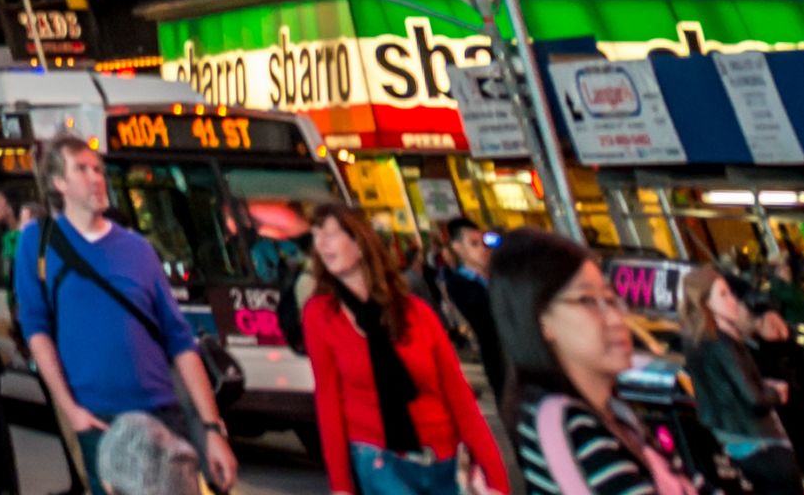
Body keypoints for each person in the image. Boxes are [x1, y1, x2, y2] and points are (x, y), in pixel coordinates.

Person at [4, 149, 221, 495]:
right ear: (59, 183)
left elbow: (180, 339)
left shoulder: (138, 249)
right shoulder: (37, 242)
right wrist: (70, 410)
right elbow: (36, 329)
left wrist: (212, 429)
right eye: (82, 169)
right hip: (99, 418)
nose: (95, 177)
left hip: (162, 411)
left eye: (98, 169)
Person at [294, 209, 497, 495]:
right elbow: (328, 400)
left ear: (359, 242)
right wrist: (340, 485)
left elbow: (459, 396)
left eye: (329, 234)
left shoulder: (416, 313)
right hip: (378, 459)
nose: (320, 244)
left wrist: (495, 477)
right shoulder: (321, 314)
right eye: (316, 236)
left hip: (443, 458)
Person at [486, 242, 696, 495]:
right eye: (587, 301)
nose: (616, 318)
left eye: (610, 299)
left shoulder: (614, 415)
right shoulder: (568, 429)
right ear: (541, 321)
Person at [687, 271, 804, 495]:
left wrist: (785, 342)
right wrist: (773, 378)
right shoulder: (724, 350)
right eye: (726, 297)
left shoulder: (758, 345)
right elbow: (776, 400)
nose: (741, 308)